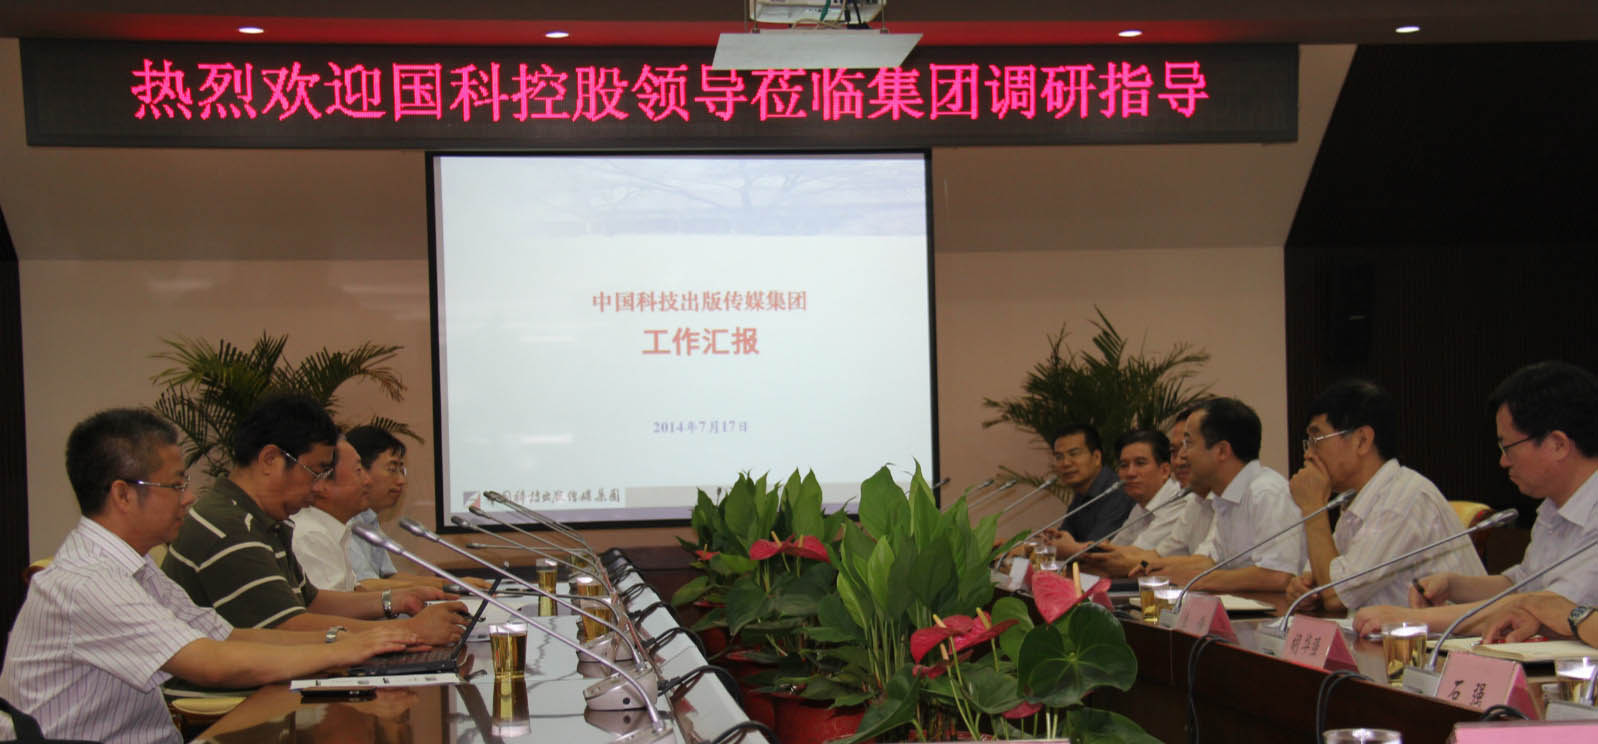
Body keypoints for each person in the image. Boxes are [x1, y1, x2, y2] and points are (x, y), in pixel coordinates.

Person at [0, 408, 417, 744]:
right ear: (123, 494)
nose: (188, 498)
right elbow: (211, 663)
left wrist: (351, 642)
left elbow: (226, 636)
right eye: (175, 485)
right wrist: (349, 648)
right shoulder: (89, 583)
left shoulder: (135, 567)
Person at [163, 394, 467, 643]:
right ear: (270, 460)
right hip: (234, 695)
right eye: (316, 471)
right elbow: (287, 628)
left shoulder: (263, 520)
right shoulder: (229, 526)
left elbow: (312, 601)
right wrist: (409, 631)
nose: (319, 487)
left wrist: (396, 600)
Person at [1356, 361, 1598, 635]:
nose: (1503, 461)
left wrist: (1410, 619)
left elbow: (1545, 607)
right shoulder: (1553, 507)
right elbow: (1523, 585)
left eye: (1508, 447)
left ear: (1558, 444)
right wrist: (1455, 585)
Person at [1284, 380, 1484, 612]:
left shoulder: (1403, 499)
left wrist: (1312, 509)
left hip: (1451, 634)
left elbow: (1336, 596)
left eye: (1316, 440)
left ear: (1362, 440)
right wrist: (1305, 587)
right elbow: (1325, 581)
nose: (1308, 454)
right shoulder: (1359, 499)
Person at [1137, 397, 1303, 592]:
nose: (1182, 455)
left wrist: (1198, 580)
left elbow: (1277, 575)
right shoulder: (1225, 497)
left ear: (1222, 451)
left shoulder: (1267, 493)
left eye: (1188, 443)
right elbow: (1214, 561)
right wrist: (1163, 568)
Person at [344, 425, 489, 592]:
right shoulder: (346, 521)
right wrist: (444, 585)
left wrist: (453, 582)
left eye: (401, 470)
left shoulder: (368, 519)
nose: (401, 481)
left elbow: (388, 577)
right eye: (392, 469)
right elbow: (364, 585)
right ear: (359, 471)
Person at [1087, 406, 1212, 576]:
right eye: (1174, 451)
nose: (1180, 460)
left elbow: (1206, 564)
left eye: (1188, 445)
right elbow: (1153, 554)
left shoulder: (1183, 501)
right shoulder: (1195, 501)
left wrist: (1077, 551)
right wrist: (1085, 553)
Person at [1054, 430, 1181, 575]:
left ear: (1164, 471)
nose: (1130, 473)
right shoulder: (1140, 506)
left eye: (1140, 463)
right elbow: (1114, 549)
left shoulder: (1177, 502)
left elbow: (1129, 560)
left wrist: (1073, 549)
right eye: (1124, 465)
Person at [291, 435, 370, 591]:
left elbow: (355, 591)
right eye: (358, 471)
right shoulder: (310, 535)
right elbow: (337, 604)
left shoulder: (329, 529)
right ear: (321, 481)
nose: (368, 480)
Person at [1049, 424, 1134, 542]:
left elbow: (1096, 548)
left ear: (1097, 457)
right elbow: (1064, 537)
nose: (1065, 463)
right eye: (1059, 457)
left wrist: (1059, 546)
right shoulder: (1081, 493)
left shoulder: (1117, 492)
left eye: (1074, 454)